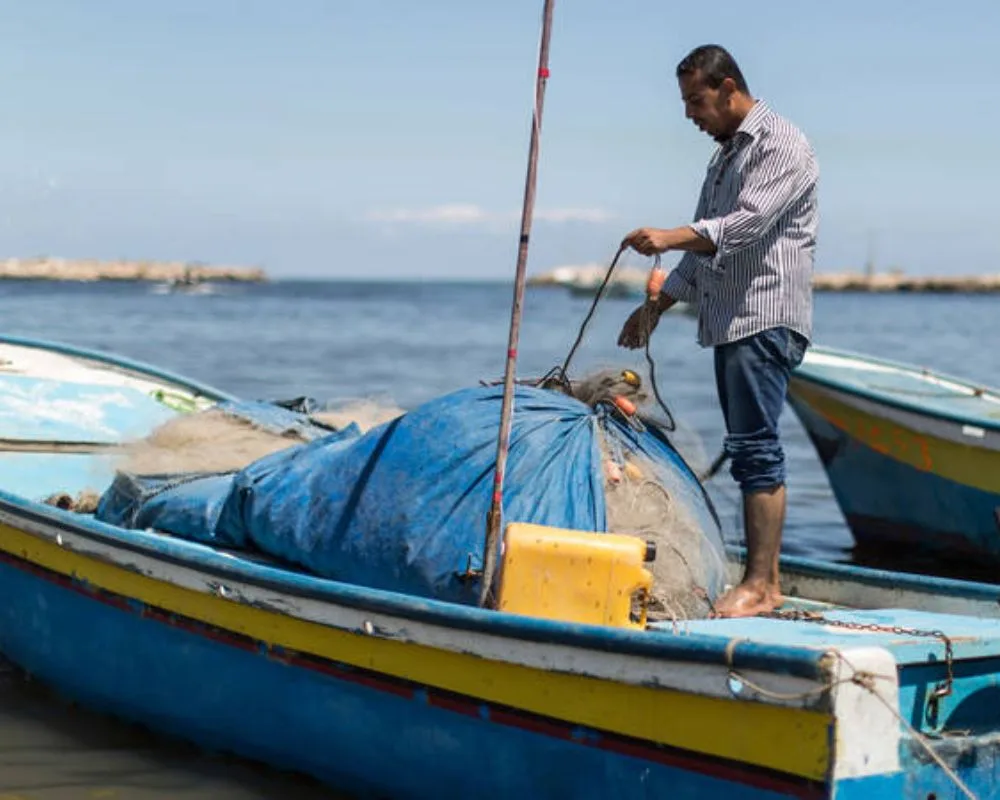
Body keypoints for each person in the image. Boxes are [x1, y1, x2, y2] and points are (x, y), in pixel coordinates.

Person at [617, 44, 818, 619]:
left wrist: (668, 234)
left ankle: (762, 586)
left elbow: (743, 226)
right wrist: (656, 308)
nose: (689, 115)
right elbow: (706, 249)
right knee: (746, 445)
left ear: (728, 88)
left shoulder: (780, 143)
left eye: (695, 101)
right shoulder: (725, 157)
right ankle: (762, 579)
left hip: (765, 316)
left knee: (755, 448)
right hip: (733, 319)